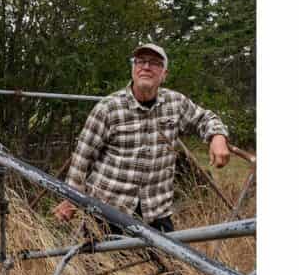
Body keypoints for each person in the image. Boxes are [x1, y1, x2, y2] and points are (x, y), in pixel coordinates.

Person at [53, 44, 230, 233]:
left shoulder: (176, 103)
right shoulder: (108, 108)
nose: (146, 67)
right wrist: (72, 199)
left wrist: (217, 136)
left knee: (170, 262)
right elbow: (82, 157)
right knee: (99, 263)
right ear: (133, 69)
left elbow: (205, 118)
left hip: (156, 213)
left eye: (154, 63)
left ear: (164, 74)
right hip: (107, 212)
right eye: (140, 62)